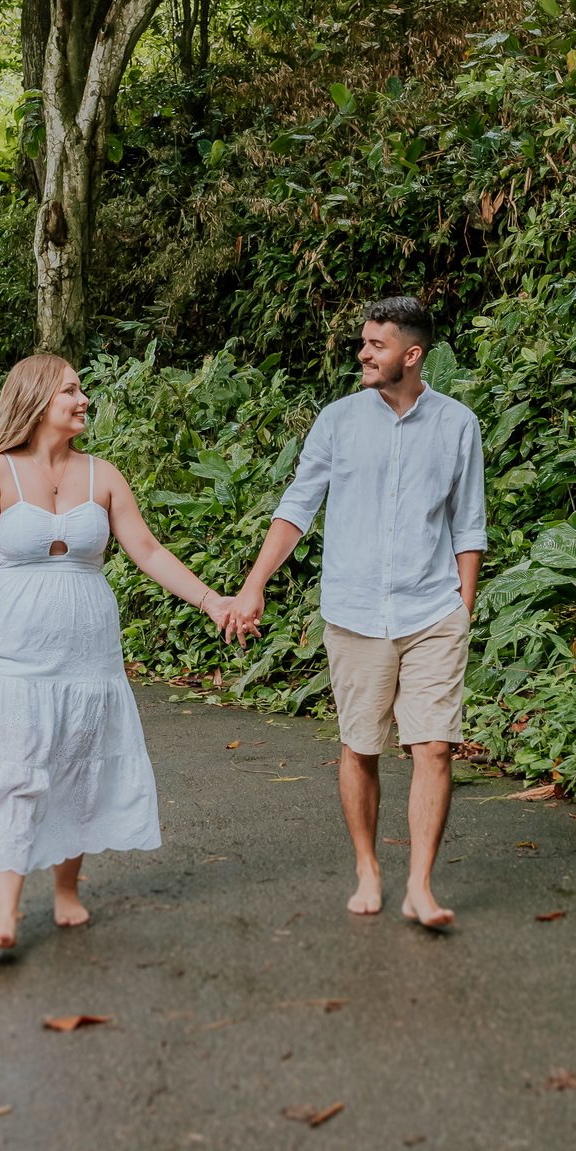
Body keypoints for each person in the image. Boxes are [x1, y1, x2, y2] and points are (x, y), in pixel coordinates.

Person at [0, 353, 234, 949]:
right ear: (39, 400)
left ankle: (67, 889)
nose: (83, 398)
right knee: (13, 763)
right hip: (11, 649)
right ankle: (5, 914)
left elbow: (147, 550)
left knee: (76, 764)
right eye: (72, 389)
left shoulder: (104, 475)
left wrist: (210, 600)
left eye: (81, 389)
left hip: (87, 650)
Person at [229, 297, 487, 929]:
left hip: (432, 611)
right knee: (361, 747)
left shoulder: (458, 425)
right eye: (364, 342)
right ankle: (369, 867)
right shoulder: (338, 421)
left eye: (376, 345)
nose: (364, 353)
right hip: (355, 612)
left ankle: (420, 886)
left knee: (434, 748)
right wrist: (254, 583)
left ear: (412, 354)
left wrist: (463, 607)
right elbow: (298, 506)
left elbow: (468, 524)